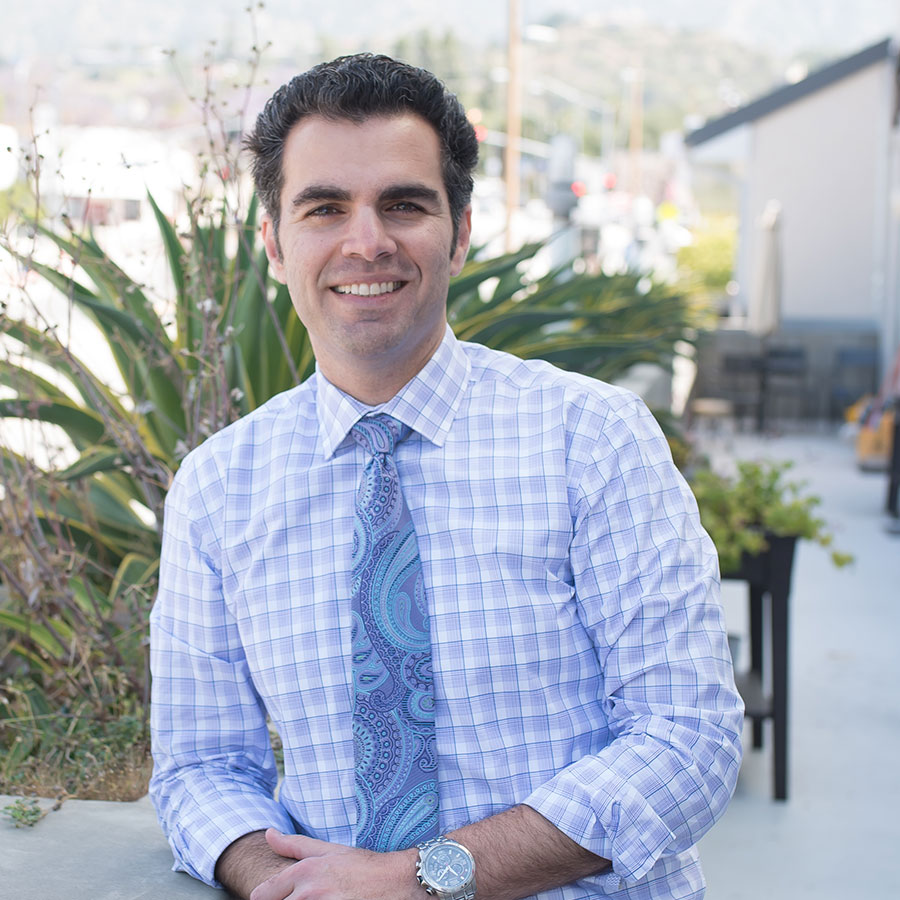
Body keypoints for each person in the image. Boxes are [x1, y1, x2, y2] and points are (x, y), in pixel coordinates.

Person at [149, 53, 743, 900]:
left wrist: (422, 880)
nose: (367, 241)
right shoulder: (217, 488)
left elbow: (689, 739)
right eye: (324, 208)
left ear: (460, 233)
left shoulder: (593, 439)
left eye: (404, 204)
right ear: (277, 246)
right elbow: (201, 767)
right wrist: (281, 883)